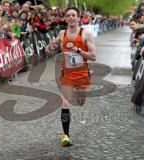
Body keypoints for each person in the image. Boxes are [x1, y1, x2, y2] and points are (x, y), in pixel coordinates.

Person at [45, 7, 96, 147]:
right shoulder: (62, 33)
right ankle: (66, 136)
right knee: (65, 103)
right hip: (67, 74)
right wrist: (50, 47)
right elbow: (55, 42)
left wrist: (78, 50)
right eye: (68, 15)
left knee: (80, 102)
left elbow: (93, 56)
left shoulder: (86, 34)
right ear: (65, 18)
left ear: (78, 17)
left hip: (82, 75)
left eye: (73, 15)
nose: (71, 17)